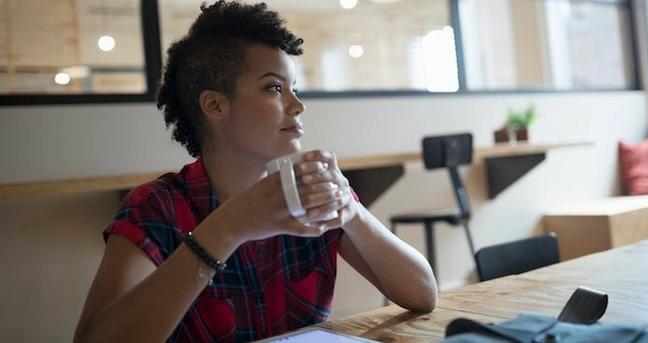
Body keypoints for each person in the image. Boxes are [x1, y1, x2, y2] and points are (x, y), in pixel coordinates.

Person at [74, 1, 437, 342]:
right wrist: (227, 228)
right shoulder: (156, 208)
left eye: (294, 88)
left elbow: (423, 296)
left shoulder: (308, 192)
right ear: (215, 105)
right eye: (274, 88)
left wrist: (351, 211)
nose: (297, 106)